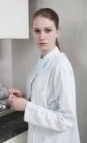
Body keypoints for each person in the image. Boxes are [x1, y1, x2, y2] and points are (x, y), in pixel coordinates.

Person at [8, 8, 80, 143]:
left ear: (58, 31)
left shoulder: (60, 65)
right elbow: (47, 99)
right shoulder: (42, 60)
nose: (42, 36)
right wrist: (24, 97)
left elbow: (66, 119)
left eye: (48, 30)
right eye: (37, 30)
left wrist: (26, 107)